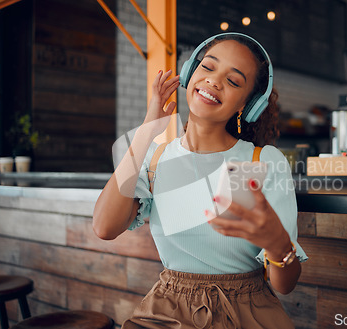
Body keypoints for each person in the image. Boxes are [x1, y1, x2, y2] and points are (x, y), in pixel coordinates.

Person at [93, 32, 308, 329]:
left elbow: (285, 285)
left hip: (247, 313)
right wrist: (147, 128)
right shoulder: (154, 159)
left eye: (233, 81)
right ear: (189, 74)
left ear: (247, 105)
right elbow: (104, 227)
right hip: (166, 312)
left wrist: (277, 242)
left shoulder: (262, 161)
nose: (214, 81)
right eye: (207, 67)